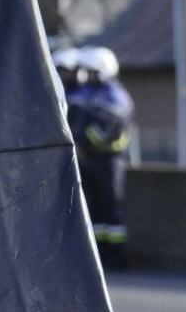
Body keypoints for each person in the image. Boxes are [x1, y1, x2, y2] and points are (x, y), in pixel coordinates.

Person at [55, 45, 135, 270]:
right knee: (95, 209)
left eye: (91, 72)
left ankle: (117, 256)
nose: (86, 76)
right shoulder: (90, 92)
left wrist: (86, 141)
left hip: (109, 160)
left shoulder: (113, 95)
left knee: (111, 209)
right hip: (91, 159)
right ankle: (100, 253)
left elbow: (107, 130)